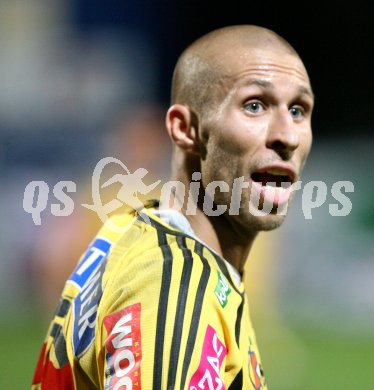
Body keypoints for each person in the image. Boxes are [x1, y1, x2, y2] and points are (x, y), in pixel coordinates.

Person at [32, 25, 314, 389]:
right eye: (255, 105)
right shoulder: (175, 288)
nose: (287, 135)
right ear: (185, 129)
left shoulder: (141, 233)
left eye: (298, 110)